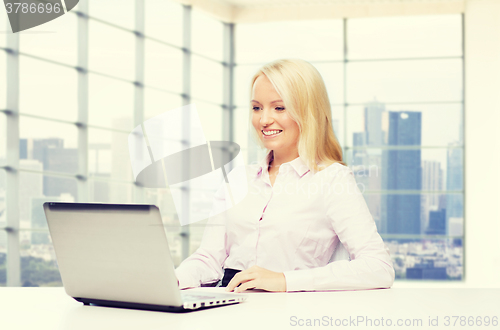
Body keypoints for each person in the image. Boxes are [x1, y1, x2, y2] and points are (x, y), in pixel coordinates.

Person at [174, 59, 395, 292]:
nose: (264, 119)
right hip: (229, 301)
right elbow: (209, 258)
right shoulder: (240, 178)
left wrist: (284, 280)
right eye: (257, 107)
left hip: (289, 307)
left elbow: (378, 267)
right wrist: (175, 279)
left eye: (279, 107)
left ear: (307, 112)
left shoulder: (332, 179)